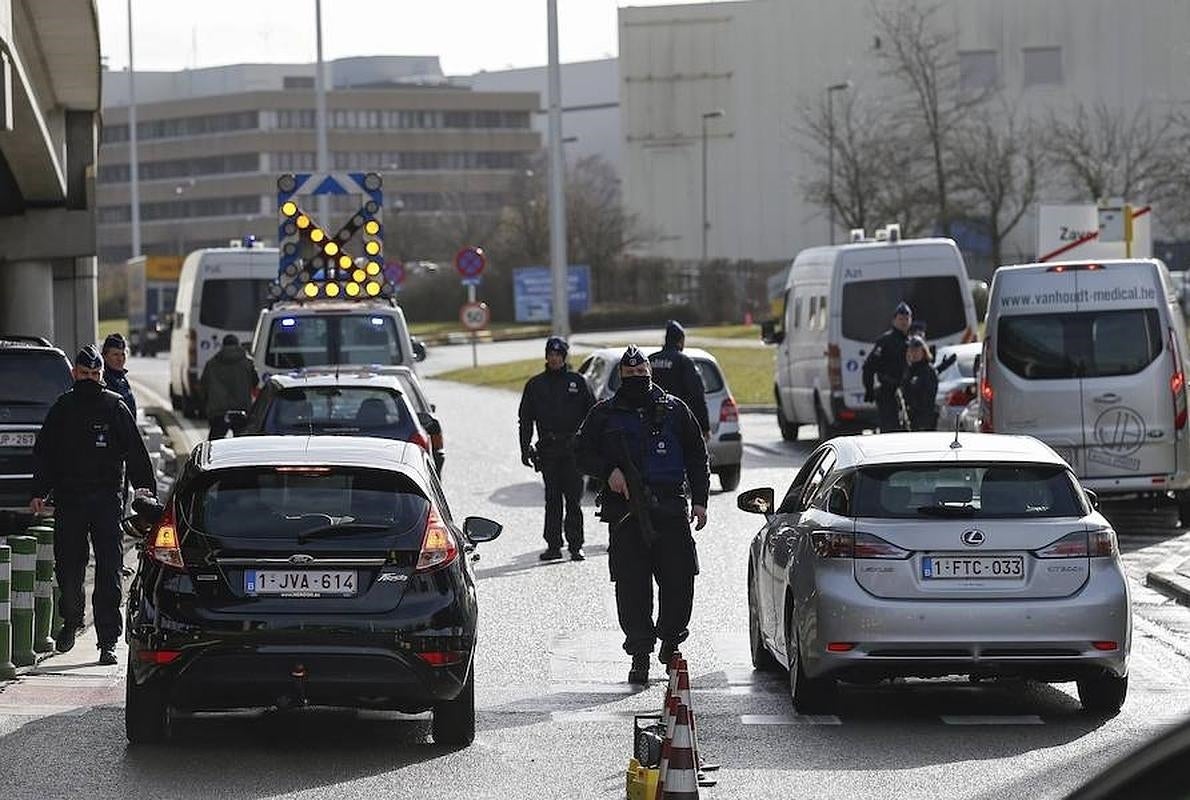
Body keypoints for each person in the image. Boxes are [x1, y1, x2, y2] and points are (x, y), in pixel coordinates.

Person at [575, 345, 710, 684]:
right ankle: (640, 654)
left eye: (642, 373)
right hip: (626, 514)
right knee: (632, 588)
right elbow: (580, 452)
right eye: (630, 374)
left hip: (670, 507)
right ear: (621, 376)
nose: (637, 378)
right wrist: (608, 471)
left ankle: (670, 640)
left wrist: (701, 501)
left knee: (679, 581)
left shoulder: (675, 409)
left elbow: (697, 455)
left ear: (650, 373)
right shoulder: (604, 414)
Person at [28, 345, 156, 664]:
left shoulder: (114, 407)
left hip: (105, 500)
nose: (90, 379)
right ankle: (71, 621)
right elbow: (45, 453)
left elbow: (136, 451)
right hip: (70, 500)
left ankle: (108, 641)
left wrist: (144, 489)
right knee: (69, 570)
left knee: (109, 571)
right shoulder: (63, 408)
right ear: (74, 374)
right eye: (84, 374)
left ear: (101, 375)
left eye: (95, 374)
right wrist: (38, 491)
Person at [518, 337, 595, 561]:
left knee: (573, 500)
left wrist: (588, 445)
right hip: (549, 452)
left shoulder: (578, 382)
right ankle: (553, 545)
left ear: (564, 356)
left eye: (558, 354)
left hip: (573, 451)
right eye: (551, 354)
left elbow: (592, 416)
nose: (554, 358)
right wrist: (525, 448)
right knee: (552, 500)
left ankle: (575, 545)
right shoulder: (535, 385)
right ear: (546, 356)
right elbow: (525, 420)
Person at [648, 320, 711, 438]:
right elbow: (697, 395)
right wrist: (704, 426)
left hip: (651, 423)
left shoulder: (650, 360)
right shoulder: (683, 362)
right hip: (678, 423)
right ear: (680, 340)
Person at [862, 301, 913, 433]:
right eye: (901, 319)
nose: (904, 322)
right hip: (888, 392)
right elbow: (869, 367)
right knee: (890, 430)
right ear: (894, 320)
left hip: (907, 392)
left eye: (907, 319)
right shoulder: (885, 341)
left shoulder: (912, 342)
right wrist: (869, 389)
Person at [200, 334, 258, 440]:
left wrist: (206, 404)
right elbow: (255, 382)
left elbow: (203, 386)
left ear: (223, 345)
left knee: (214, 445)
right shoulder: (248, 363)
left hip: (218, 410)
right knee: (242, 442)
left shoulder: (212, 364)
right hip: (242, 409)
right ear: (238, 345)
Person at [901, 336, 939, 431]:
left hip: (924, 418)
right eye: (912, 350)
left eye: (917, 350)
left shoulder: (928, 370)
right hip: (910, 416)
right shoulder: (909, 370)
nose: (914, 354)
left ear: (923, 351)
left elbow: (929, 396)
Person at [101, 333, 136, 419]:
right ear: (105, 356)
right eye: (115, 355)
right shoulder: (103, 381)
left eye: (123, 354)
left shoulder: (121, 378)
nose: (120, 359)